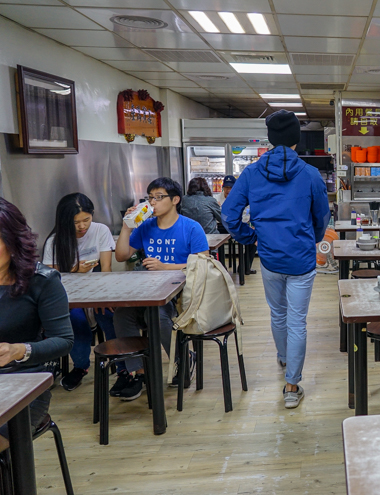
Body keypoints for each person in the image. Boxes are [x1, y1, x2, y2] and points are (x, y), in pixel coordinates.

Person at [222, 110, 329, 408]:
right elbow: (322, 217)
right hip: (302, 260)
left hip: (269, 258)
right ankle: (292, 386)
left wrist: (249, 237)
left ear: (271, 139)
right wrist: (313, 239)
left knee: (278, 314)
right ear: (296, 139)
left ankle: (284, 356)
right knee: (297, 321)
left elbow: (229, 215)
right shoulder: (309, 174)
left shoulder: (252, 173)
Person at [113, 177, 209, 400]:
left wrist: (166, 267)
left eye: (159, 197)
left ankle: (182, 360)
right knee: (122, 315)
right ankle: (139, 371)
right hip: (149, 291)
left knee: (156, 314)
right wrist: (127, 227)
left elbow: (203, 261)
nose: (153, 203)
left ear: (175, 200)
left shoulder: (190, 227)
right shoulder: (145, 226)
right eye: (150, 198)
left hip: (180, 295)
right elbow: (121, 255)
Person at [0, 198, 73, 437]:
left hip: (25, 382)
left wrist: (19, 350)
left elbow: (63, 340)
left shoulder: (42, 280)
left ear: (13, 242)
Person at [42, 193, 123, 391]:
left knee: (109, 314)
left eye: (86, 219)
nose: (82, 226)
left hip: (98, 290)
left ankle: (122, 368)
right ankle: (81, 366)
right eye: (76, 222)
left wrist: (103, 297)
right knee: (74, 319)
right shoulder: (54, 241)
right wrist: (75, 270)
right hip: (68, 297)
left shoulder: (101, 230)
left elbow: (106, 269)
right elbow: (52, 276)